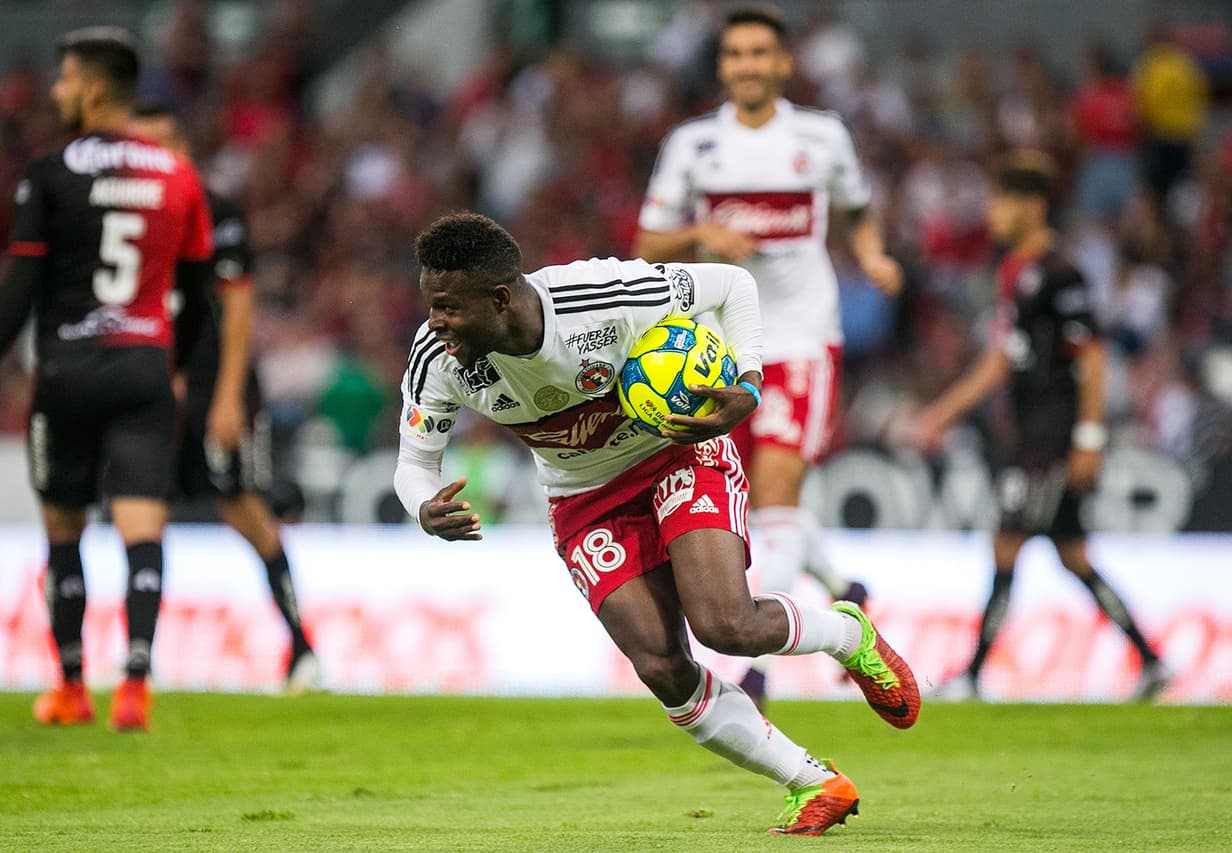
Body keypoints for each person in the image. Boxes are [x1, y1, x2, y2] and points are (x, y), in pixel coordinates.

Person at [394, 212, 920, 837]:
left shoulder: (599, 296)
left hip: (673, 452)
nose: (435, 323)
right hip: (583, 497)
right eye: (432, 307)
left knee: (726, 624)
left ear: (500, 298)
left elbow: (731, 285)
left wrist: (749, 381)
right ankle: (813, 782)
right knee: (662, 667)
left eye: (448, 308)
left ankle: (844, 634)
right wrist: (424, 505)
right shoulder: (439, 361)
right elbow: (413, 466)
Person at [632, 6, 903, 708]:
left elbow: (857, 207)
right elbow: (647, 244)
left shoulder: (821, 136)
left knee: (777, 493)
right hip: (717, 351)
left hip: (803, 340)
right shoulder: (694, 145)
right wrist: (704, 232)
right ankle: (846, 592)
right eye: (735, 54)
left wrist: (870, 254)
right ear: (722, 67)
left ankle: (758, 671)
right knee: (754, 504)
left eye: (761, 53)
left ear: (783, 63)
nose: (748, 64)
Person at [0, 28, 214, 730]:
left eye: (66, 79)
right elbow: (200, 298)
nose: (56, 90)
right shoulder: (176, 174)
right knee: (142, 529)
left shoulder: (50, 171)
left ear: (95, 89)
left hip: (66, 371)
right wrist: (178, 367)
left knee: (64, 530)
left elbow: (21, 284)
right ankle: (134, 683)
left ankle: (71, 686)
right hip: (143, 370)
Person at [912, 151, 1168, 701]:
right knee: (1073, 557)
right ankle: (1151, 660)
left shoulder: (1061, 274)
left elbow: (1093, 358)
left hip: (1052, 434)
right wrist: (944, 410)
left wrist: (1089, 440)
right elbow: (1003, 357)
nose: (992, 211)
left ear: (1032, 206)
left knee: (1006, 543)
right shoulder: (1016, 272)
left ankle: (974, 675)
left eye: (1001, 200)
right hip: (1031, 430)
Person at [128, 104, 319, 694]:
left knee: (245, 513)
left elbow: (237, 312)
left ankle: (302, 648)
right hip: (155, 390)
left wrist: (229, 396)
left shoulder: (218, 213)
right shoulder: (128, 220)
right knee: (144, 515)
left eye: (161, 145)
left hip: (219, 390)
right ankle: (140, 664)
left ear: (182, 147)